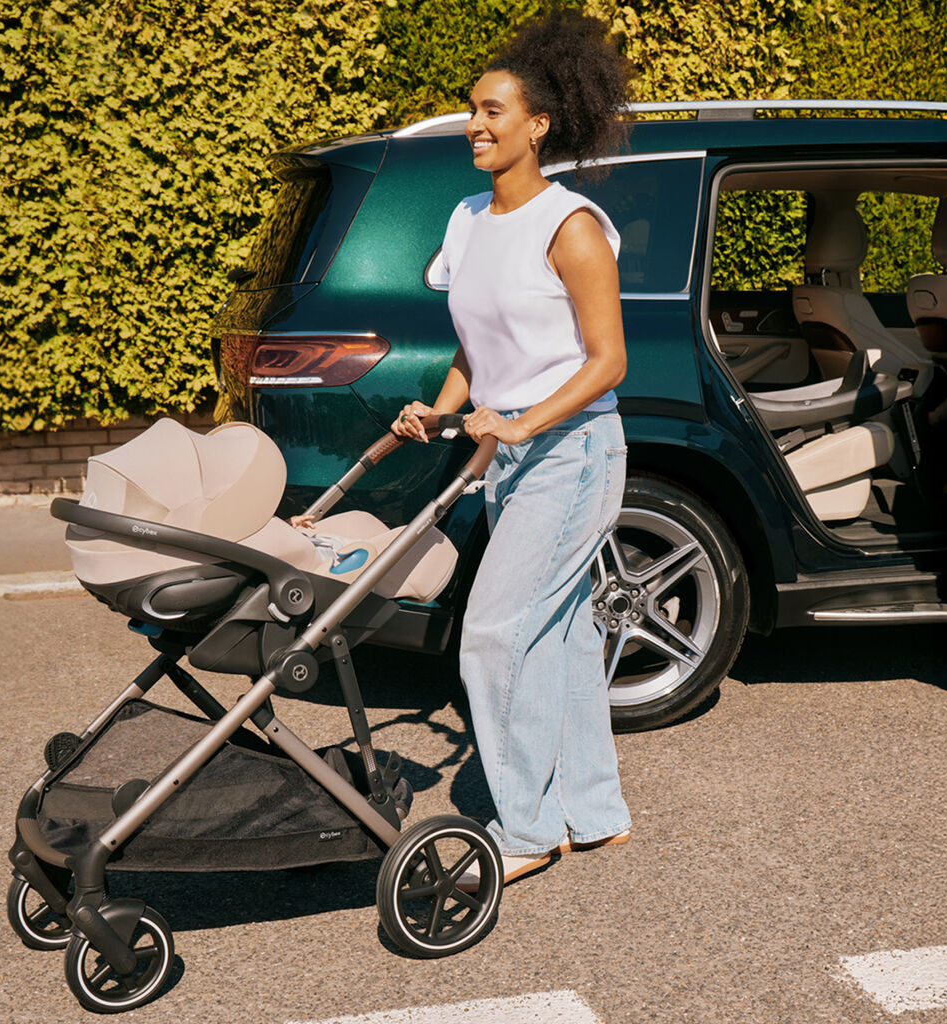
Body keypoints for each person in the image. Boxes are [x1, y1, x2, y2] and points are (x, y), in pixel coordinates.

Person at [399, 10, 636, 886]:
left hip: (573, 455)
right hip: (513, 454)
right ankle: (594, 811)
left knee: (493, 635)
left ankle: (527, 831)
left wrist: (524, 424)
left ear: (538, 125)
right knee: (562, 633)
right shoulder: (468, 219)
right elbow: (477, 343)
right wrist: (443, 407)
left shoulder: (571, 226)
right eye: (472, 109)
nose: (476, 124)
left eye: (495, 111)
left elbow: (609, 361)